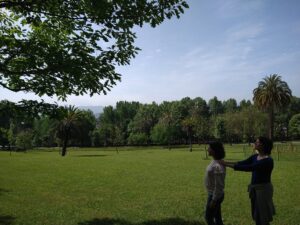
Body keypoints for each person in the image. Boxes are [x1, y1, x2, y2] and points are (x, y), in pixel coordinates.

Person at [222, 136, 275, 225]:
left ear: (262, 145)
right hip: (255, 189)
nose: (254, 143)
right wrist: (225, 162)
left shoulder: (268, 160)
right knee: (256, 214)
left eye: (257, 142)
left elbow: (249, 168)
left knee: (263, 215)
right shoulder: (255, 157)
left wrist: (226, 165)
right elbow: (242, 163)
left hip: (263, 190)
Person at [204, 141, 226, 225]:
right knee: (217, 217)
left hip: (215, 195)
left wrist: (214, 199)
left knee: (208, 217)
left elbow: (219, 185)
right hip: (213, 194)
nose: (207, 150)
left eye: (209, 148)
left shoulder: (218, 165)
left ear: (214, 150)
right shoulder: (215, 161)